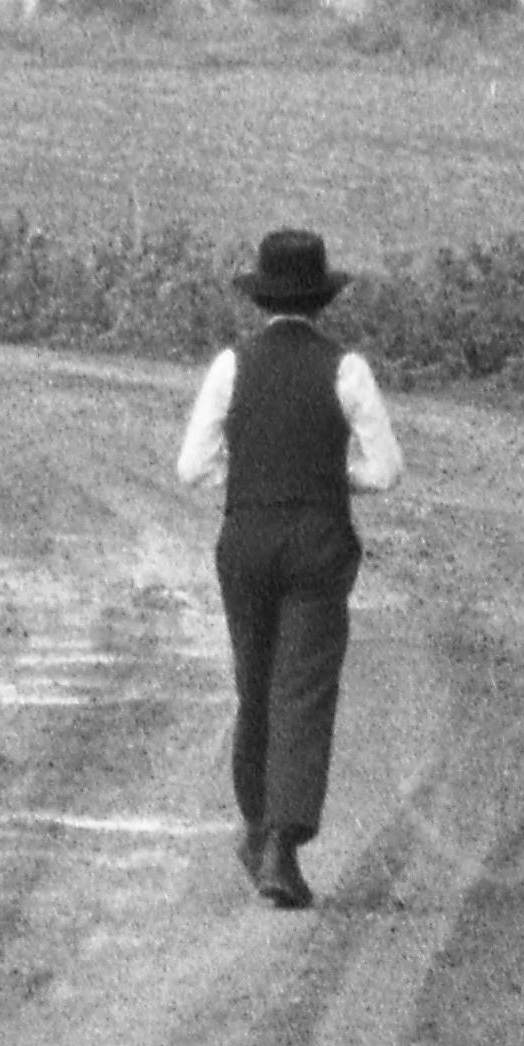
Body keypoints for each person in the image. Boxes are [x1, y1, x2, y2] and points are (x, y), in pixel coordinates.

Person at [176, 228, 407, 909]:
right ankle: (283, 841)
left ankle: (257, 824)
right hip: (316, 540)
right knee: (302, 689)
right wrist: (330, 478)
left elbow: (192, 468)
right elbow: (385, 470)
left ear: (263, 298)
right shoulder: (346, 369)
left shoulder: (231, 365)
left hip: (246, 537)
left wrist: (252, 475)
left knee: (255, 684)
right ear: (320, 300)